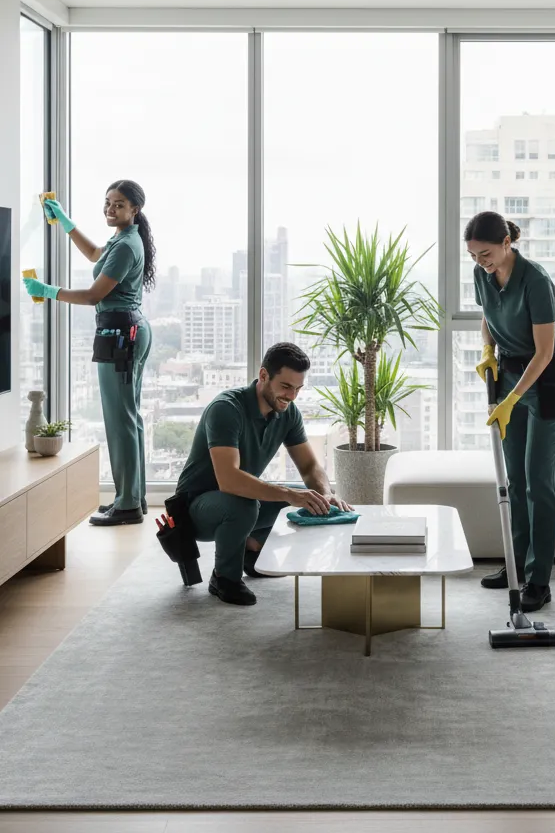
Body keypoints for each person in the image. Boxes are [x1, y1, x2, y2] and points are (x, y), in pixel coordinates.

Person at [174, 342, 353, 607]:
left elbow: (309, 467)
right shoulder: (226, 409)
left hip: (241, 501)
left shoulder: (288, 413)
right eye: (285, 386)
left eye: (297, 389)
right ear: (264, 375)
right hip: (196, 509)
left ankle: (251, 551)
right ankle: (224, 578)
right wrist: (290, 494)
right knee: (249, 504)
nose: (291, 396)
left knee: (307, 498)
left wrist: (324, 496)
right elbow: (229, 480)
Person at [23, 180, 155, 525]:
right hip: (125, 330)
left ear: (134, 210)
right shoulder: (123, 239)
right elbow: (97, 255)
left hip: (119, 335)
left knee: (120, 419)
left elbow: (94, 295)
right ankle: (132, 498)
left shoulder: (128, 245)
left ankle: (127, 505)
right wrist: (67, 224)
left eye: (119, 204)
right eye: (108, 203)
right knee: (129, 418)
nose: (111, 209)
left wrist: (48, 291)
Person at [466, 211, 555, 613]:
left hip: (546, 383)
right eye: (475, 256)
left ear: (507, 243)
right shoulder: (483, 275)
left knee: (538, 483)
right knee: (513, 481)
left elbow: (545, 351)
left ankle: (539, 580)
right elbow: (487, 318)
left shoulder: (535, 280)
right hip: (509, 376)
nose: (481, 262)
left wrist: (513, 398)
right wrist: (487, 351)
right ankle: (515, 569)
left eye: (487, 253)